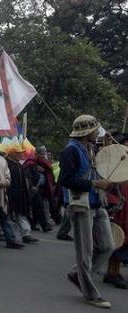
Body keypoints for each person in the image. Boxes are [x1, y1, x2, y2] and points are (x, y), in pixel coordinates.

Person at [59, 115, 114, 309]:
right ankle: (90, 293)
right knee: (85, 253)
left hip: (97, 203)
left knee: (108, 246)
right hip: (81, 206)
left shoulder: (91, 148)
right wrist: (94, 183)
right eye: (95, 130)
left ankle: (77, 274)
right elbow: (65, 180)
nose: (97, 132)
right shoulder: (70, 151)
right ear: (87, 131)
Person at [103, 133, 128, 289]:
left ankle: (114, 272)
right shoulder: (113, 162)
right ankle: (112, 272)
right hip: (119, 206)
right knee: (117, 239)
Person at [6, 145, 39, 244]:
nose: (21, 155)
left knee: (20, 214)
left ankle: (25, 234)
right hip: (10, 194)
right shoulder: (8, 165)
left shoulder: (19, 165)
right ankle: (5, 234)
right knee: (7, 216)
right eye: (18, 153)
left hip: (20, 195)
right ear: (12, 153)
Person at [23, 146, 56, 232]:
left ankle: (33, 224)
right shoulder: (30, 163)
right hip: (33, 188)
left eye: (44, 153)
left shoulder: (43, 163)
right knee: (39, 206)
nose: (43, 156)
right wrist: (31, 186)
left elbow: (49, 173)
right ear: (36, 153)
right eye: (41, 153)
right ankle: (44, 226)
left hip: (42, 188)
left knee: (36, 207)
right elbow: (27, 176)